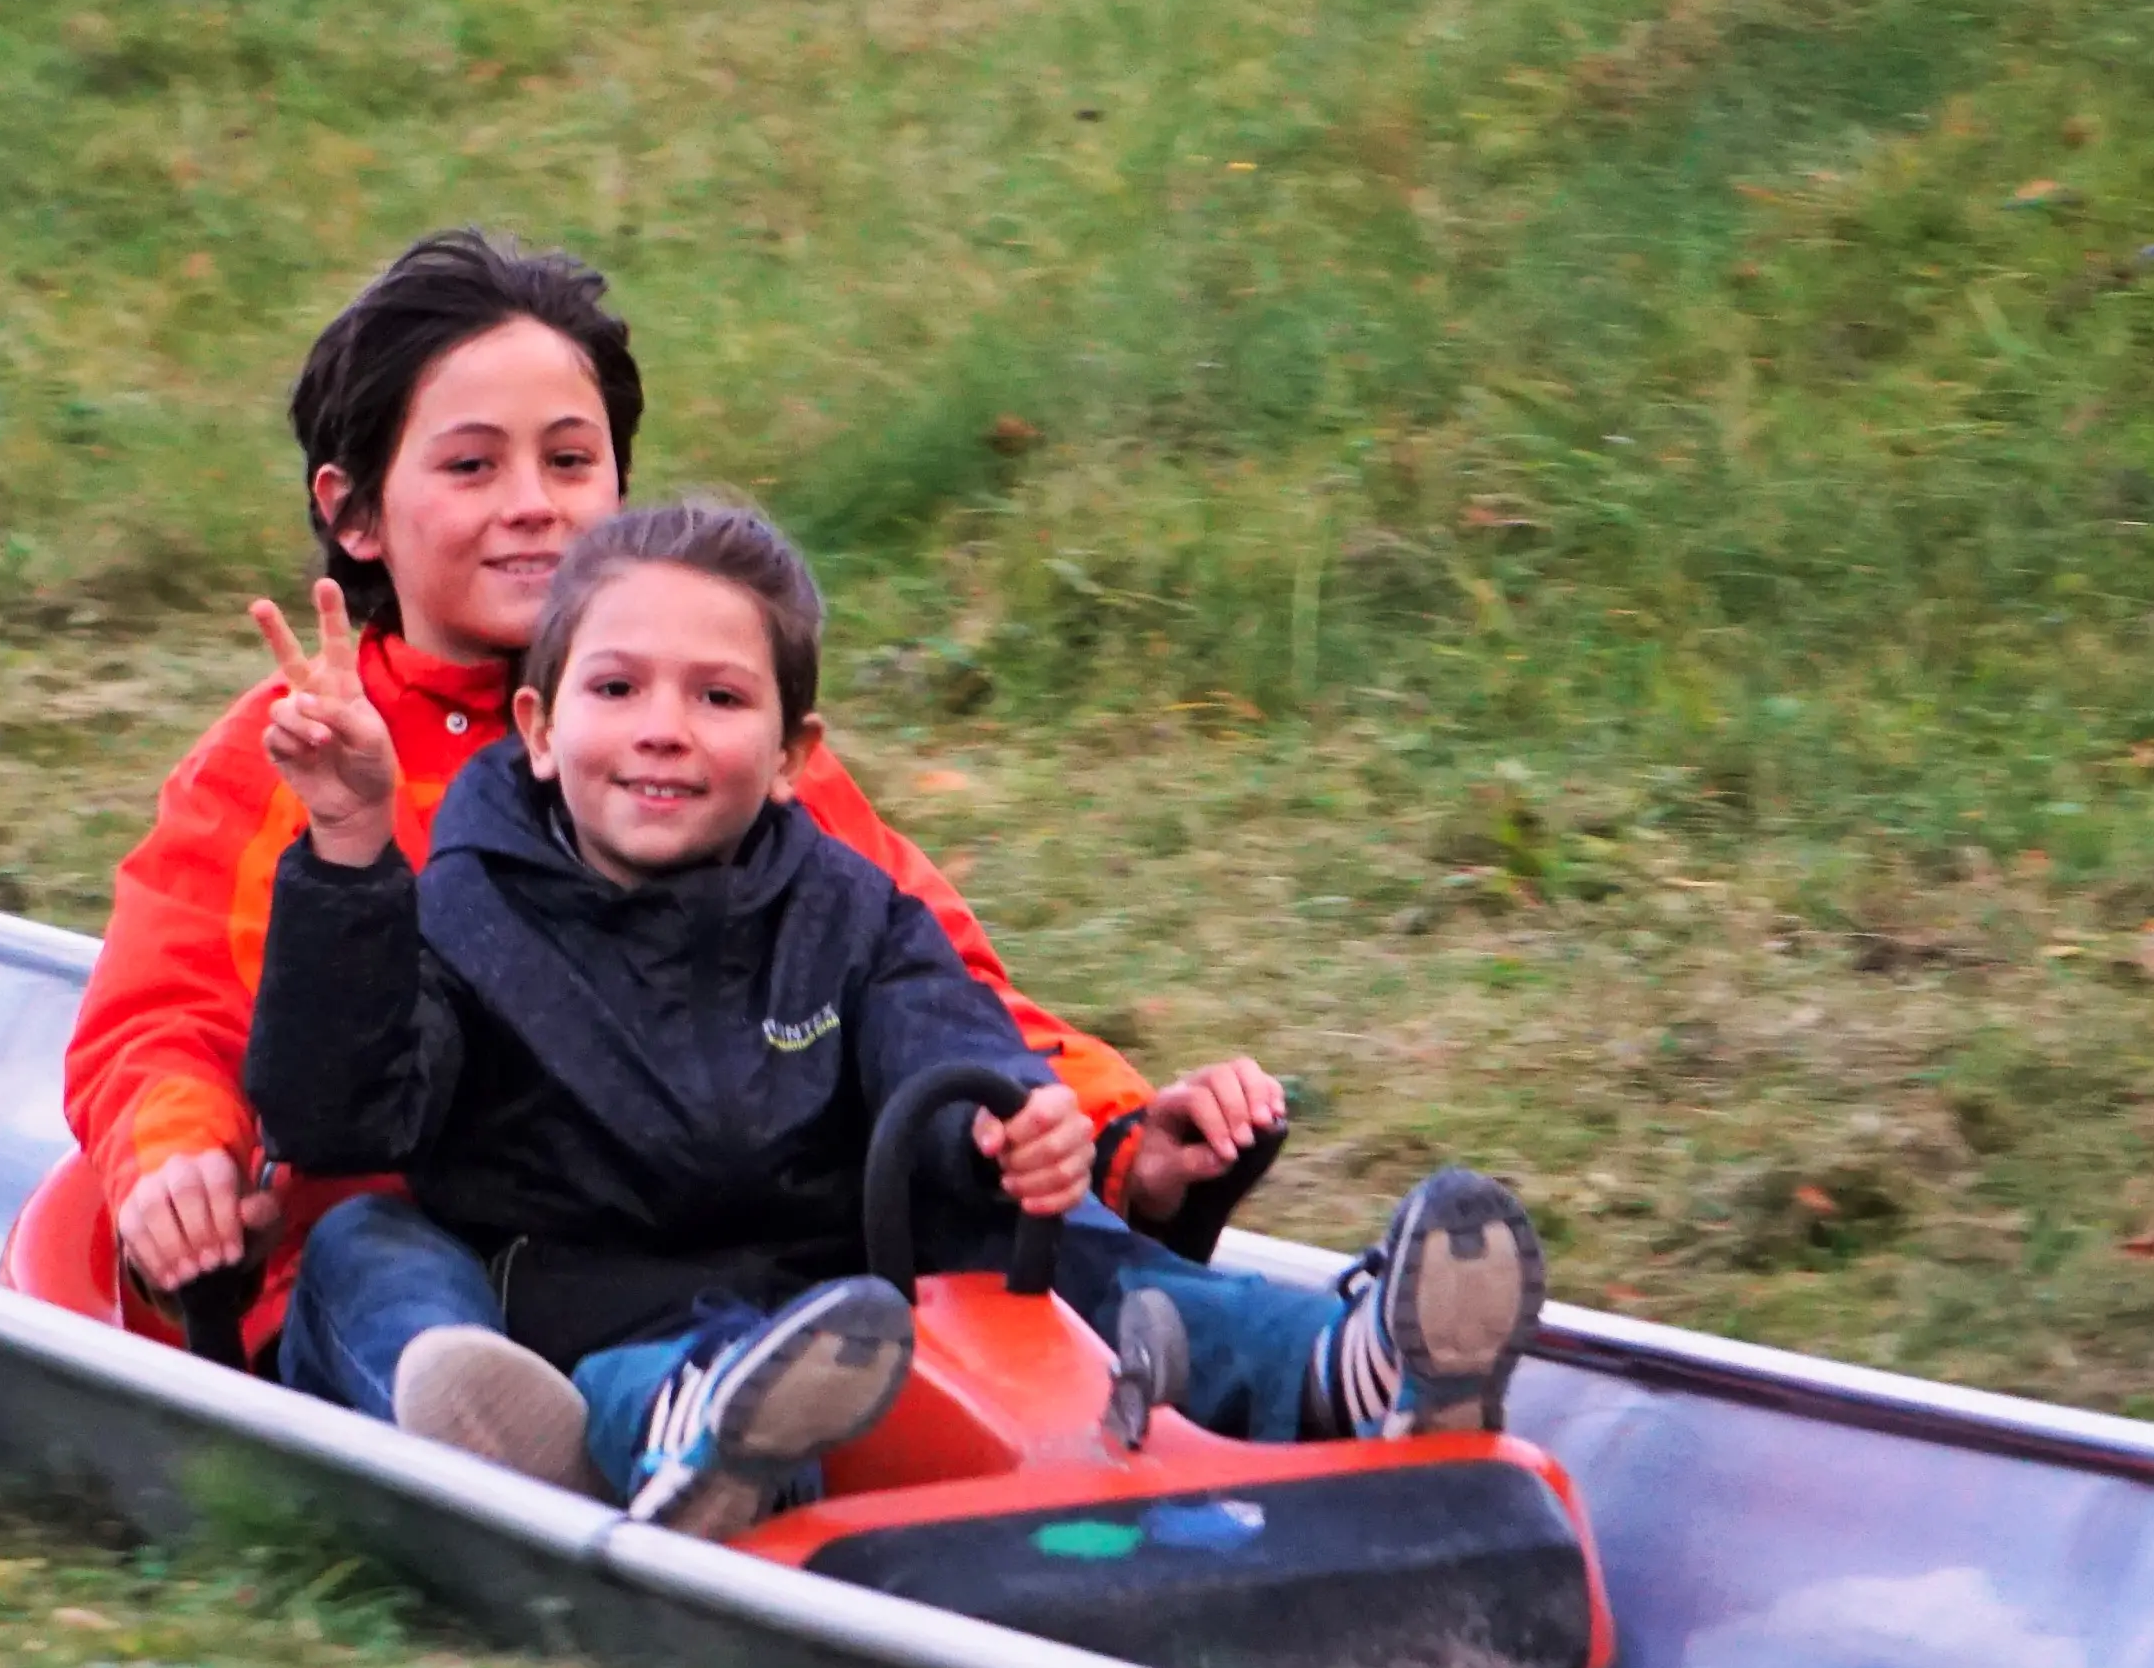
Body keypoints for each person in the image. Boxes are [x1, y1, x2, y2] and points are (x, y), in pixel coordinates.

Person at [61, 230, 1294, 1368]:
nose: (534, 501)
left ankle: (1277, 1358)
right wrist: (175, 1154)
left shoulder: (712, 735)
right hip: (431, 1248)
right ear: (355, 511)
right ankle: (492, 1427)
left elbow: (928, 983)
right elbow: (161, 1020)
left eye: (570, 459)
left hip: (740, 1237)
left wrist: (1117, 1132)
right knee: (381, 1253)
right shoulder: (290, 754)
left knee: (967, 1225)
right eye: (473, 465)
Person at [237, 500, 1548, 1533]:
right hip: (591, 1299)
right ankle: (680, 1443)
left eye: (720, 697)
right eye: (617, 689)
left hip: (842, 1298)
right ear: (535, 723)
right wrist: (350, 843)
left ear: (797, 753)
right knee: (381, 1240)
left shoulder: (844, 908)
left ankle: (1347, 1367)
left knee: (1082, 1265)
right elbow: (339, 1107)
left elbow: (938, 1030)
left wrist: (1004, 1125)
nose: (663, 732)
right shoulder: (463, 903)